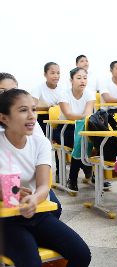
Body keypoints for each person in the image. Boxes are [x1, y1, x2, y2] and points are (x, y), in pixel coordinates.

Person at [0, 89, 91, 267]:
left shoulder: (40, 142)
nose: (32, 116)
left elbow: (43, 185)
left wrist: (34, 198)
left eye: (33, 109)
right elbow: (6, 190)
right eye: (23, 110)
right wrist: (7, 193)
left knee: (81, 254)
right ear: (4, 118)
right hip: (5, 221)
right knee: (31, 262)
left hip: (36, 213)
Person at [0, 72, 62, 219]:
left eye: (14, 90)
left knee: (54, 209)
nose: (10, 95)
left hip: (30, 183)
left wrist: (37, 194)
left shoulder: (31, 129)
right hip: (7, 190)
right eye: (3, 92)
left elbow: (39, 153)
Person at [55, 67, 96, 192]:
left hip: (83, 128)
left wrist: (82, 117)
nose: (82, 80)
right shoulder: (63, 94)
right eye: (78, 78)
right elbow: (68, 115)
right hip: (65, 130)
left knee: (91, 141)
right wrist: (82, 116)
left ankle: (75, 177)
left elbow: (88, 115)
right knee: (79, 141)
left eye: (84, 78)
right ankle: (87, 173)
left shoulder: (89, 93)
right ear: (71, 80)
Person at [31, 62, 64, 133]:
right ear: (45, 74)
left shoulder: (63, 90)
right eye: (52, 73)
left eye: (58, 73)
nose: (56, 76)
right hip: (43, 119)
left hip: (59, 119)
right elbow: (32, 106)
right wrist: (48, 108)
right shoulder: (38, 88)